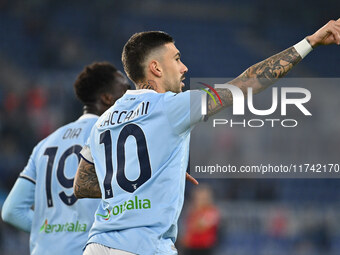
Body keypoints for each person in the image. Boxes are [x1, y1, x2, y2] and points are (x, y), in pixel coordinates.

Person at [74, 19, 340, 255]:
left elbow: (82, 184)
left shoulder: (105, 120)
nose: (184, 67)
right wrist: (310, 42)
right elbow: (247, 82)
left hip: (97, 245)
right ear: (155, 68)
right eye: (176, 59)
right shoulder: (171, 107)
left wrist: (150, 177)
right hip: (143, 246)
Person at [1, 62, 131, 255]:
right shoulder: (114, 139)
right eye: (125, 90)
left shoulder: (45, 145)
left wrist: (50, 232)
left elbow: (11, 211)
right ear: (107, 98)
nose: (131, 97)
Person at [181, 185, 220, 255]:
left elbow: (200, 226)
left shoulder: (212, 211)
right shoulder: (191, 211)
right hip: (190, 247)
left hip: (204, 248)